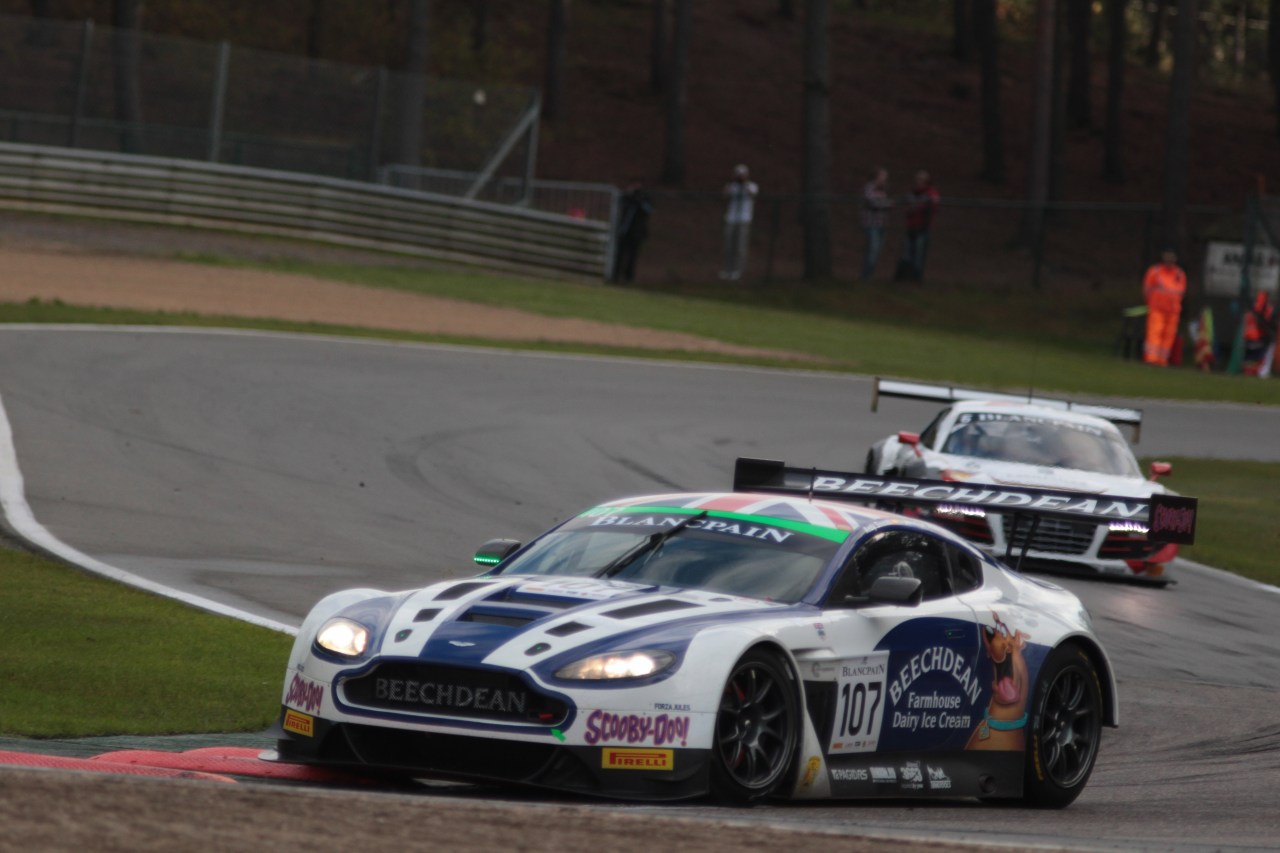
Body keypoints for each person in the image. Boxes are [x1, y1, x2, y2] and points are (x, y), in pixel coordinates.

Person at [1141, 249, 1187, 367]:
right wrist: (1151, 303)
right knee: (1155, 332)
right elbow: (1146, 290)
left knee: (1168, 335)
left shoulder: (1179, 274)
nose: (1169, 262)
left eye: (1171, 260)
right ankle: (1151, 358)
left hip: (1173, 310)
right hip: (1157, 308)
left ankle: (1162, 360)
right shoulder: (1155, 272)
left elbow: (1181, 292)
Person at [895, 170, 940, 282]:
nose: (918, 182)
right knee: (906, 254)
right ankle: (903, 277)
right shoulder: (913, 193)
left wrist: (917, 208)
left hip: (923, 228)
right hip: (911, 227)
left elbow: (932, 207)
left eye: (920, 180)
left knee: (919, 255)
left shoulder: (931, 194)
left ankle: (916, 279)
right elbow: (905, 204)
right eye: (917, 180)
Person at [719, 163, 758, 281]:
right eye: (738, 174)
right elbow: (724, 195)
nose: (740, 176)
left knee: (740, 247)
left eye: (742, 174)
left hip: (743, 219)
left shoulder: (751, 186)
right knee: (728, 246)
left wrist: (744, 182)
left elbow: (753, 194)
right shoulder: (732, 187)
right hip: (731, 218)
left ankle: (737, 271)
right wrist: (732, 184)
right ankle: (727, 270)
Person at [611, 179, 653, 283]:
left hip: (637, 233)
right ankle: (615, 275)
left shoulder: (644, 198)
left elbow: (648, 210)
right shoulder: (627, 198)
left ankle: (628, 278)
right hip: (624, 231)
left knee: (632, 256)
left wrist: (638, 199)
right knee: (619, 254)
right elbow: (620, 203)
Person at [860, 167, 891, 280]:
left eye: (885, 178)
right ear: (876, 177)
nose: (884, 180)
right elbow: (873, 203)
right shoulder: (869, 187)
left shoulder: (883, 190)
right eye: (882, 177)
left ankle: (868, 275)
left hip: (882, 224)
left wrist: (886, 204)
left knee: (876, 251)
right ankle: (865, 277)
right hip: (871, 224)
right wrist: (886, 204)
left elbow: (886, 204)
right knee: (872, 250)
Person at [1242, 289, 1276, 378]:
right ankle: (1258, 372)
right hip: (1259, 336)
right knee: (1258, 357)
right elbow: (1267, 322)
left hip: (1250, 336)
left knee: (1250, 357)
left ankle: (1250, 372)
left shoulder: (1253, 309)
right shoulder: (1266, 309)